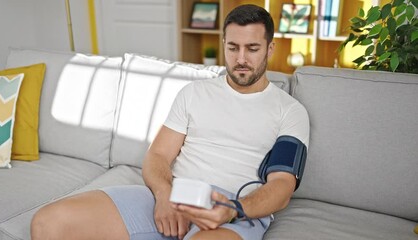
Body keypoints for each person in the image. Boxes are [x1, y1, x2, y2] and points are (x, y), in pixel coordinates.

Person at [30, 4, 309, 240]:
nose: (241, 59)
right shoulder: (194, 93)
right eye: (233, 47)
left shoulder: (290, 111)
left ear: (270, 49)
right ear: (223, 44)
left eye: (252, 48)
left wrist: (234, 208)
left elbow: (281, 187)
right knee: (48, 223)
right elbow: (159, 154)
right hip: (174, 194)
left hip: (234, 211)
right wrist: (164, 195)